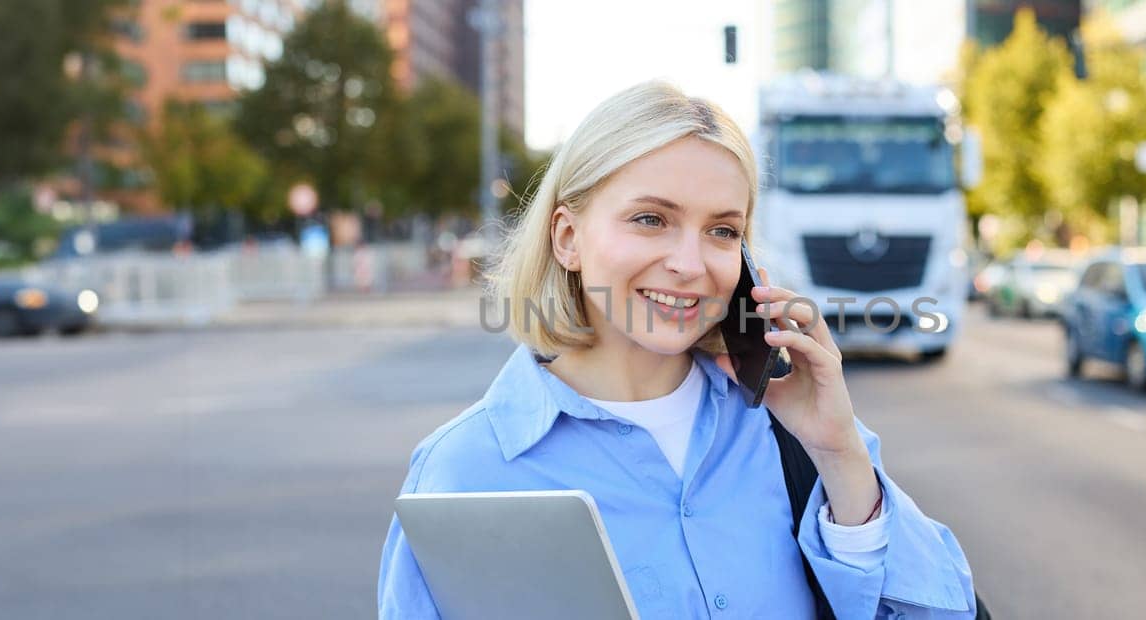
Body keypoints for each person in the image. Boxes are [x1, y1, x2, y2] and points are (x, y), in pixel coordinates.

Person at [378, 81, 982, 618]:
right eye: (650, 219)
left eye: (723, 231)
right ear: (568, 238)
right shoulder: (464, 470)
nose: (690, 264)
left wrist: (840, 453)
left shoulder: (791, 434)